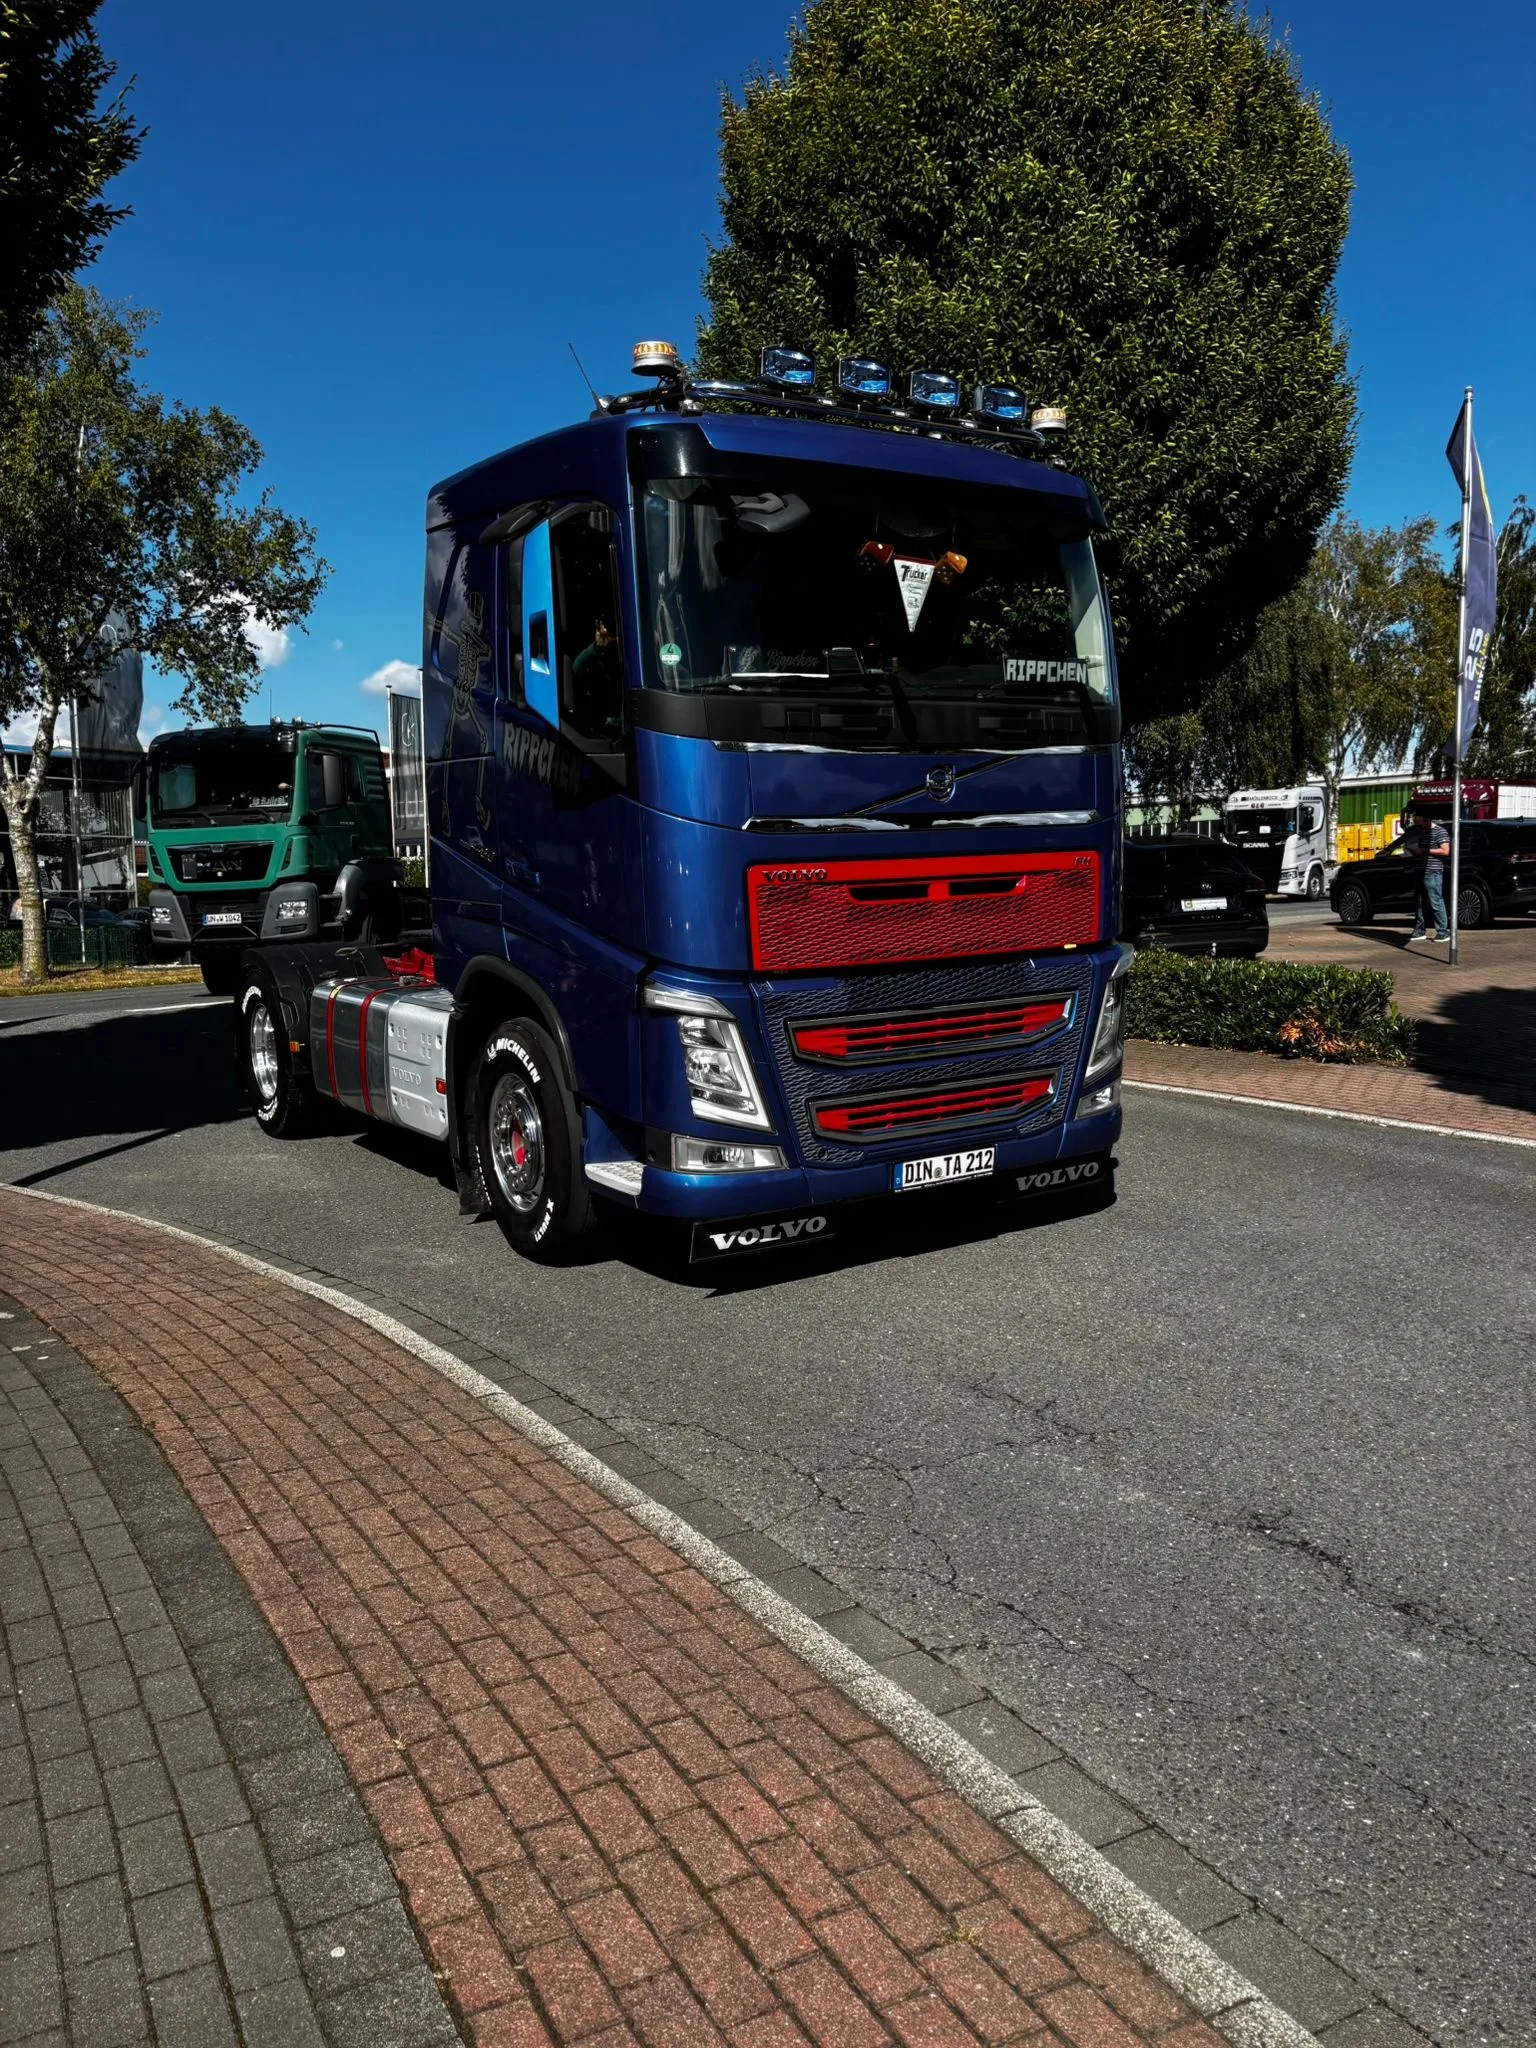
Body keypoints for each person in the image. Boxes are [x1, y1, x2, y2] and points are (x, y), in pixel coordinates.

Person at [1406, 808, 1451, 943]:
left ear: (1426, 818)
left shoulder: (1439, 831)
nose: (1416, 822)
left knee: (1436, 900)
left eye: (1417, 819)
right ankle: (1419, 930)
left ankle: (1443, 931)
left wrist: (1424, 851)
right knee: (1419, 902)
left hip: (1433, 871)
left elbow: (1445, 851)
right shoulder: (1422, 832)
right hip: (1420, 870)